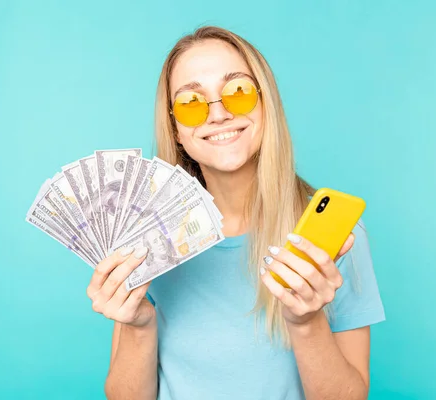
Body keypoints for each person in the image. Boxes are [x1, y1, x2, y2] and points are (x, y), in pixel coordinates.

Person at [86, 26, 385, 400]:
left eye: (238, 92)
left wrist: (307, 323)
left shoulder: (337, 239)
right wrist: (138, 325)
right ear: (176, 129)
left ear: (265, 103)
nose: (219, 114)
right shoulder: (147, 240)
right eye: (192, 102)